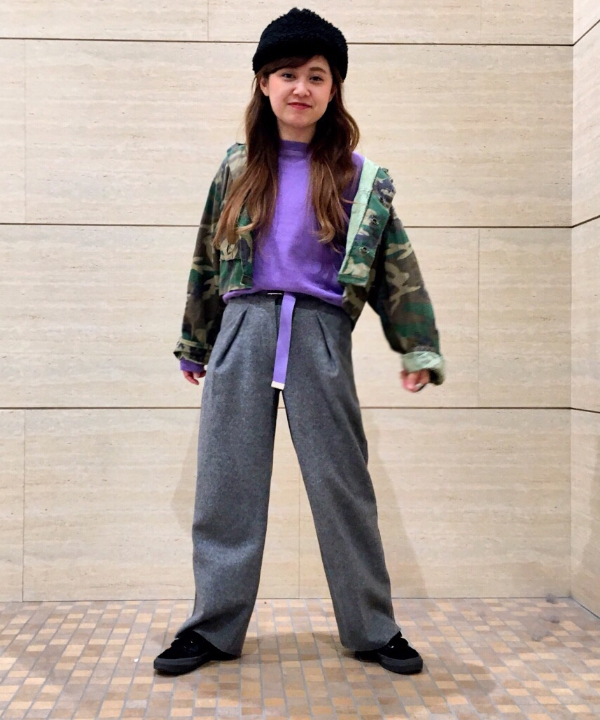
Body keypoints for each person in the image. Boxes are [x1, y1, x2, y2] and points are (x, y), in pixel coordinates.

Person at [154, 6, 446, 677]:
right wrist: (196, 341)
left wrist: (417, 346)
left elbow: (396, 266)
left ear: (333, 87)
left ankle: (372, 628)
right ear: (263, 83)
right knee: (226, 488)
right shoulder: (236, 169)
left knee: (344, 488)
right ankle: (212, 628)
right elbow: (206, 257)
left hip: (319, 334)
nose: (301, 88)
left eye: (316, 75)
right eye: (287, 73)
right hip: (242, 331)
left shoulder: (360, 178)